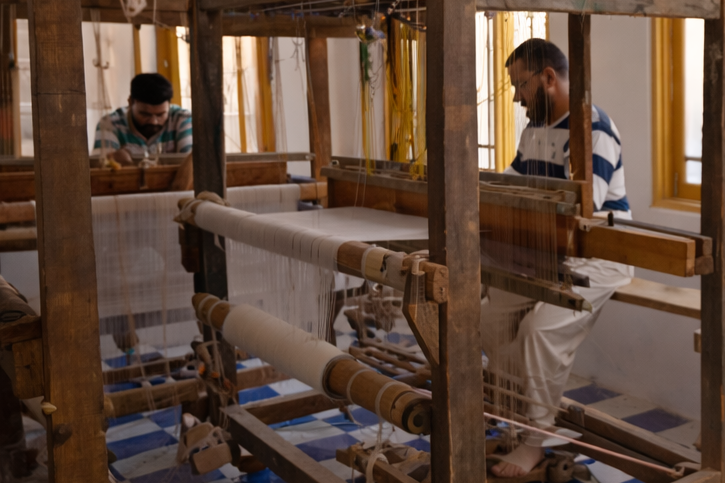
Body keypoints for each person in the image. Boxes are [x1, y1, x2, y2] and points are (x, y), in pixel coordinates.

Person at [481, 38, 633, 477]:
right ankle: (514, 418)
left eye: (520, 84)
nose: (515, 96)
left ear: (548, 77)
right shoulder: (535, 129)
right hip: (546, 254)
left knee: (537, 332)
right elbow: (514, 177)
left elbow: (582, 212)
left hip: (598, 257)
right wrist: (477, 190)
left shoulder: (593, 130)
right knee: (488, 320)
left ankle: (536, 440)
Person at [92, 73, 192, 165]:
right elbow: (103, 167)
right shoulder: (109, 124)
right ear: (131, 102)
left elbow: (191, 163)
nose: (154, 122)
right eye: (145, 115)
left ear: (169, 105)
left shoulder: (182, 119)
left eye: (160, 115)